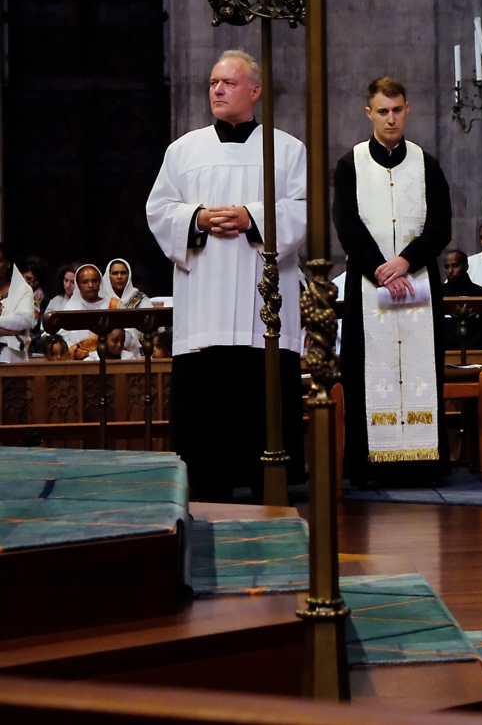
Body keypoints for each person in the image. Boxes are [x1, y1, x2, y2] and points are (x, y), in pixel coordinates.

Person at [145, 49, 307, 503]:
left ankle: (267, 484)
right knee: (209, 394)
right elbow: (159, 209)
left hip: (264, 307)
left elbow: (303, 209)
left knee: (261, 388)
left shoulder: (287, 149)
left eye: (228, 83)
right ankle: (208, 482)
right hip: (206, 304)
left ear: (254, 91)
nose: (217, 89)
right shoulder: (183, 150)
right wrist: (196, 220)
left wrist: (250, 217)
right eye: (214, 82)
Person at [333, 76, 452, 483]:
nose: (390, 118)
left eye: (397, 109)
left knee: (422, 367)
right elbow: (347, 225)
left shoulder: (426, 163)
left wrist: (405, 261)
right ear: (369, 113)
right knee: (367, 370)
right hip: (368, 286)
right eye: (382, 111)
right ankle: (369, 464)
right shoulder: (350, 164)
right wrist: (380, 269)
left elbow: (441, 226)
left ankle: (423, 461)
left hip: (417, 281)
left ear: (407, 109)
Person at [440, 250, 482, 351]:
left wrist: (467, 348)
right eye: (446, 267)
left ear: (465, 267)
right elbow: (437, 327)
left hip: (475, 353)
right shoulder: (439, 293)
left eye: (455, 266)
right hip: (445, 353)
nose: (450, 271)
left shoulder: (481, 294)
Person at [0, 243, 36, 363]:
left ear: (8, 264)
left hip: (13, 359)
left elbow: (24, 320)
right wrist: (10, 331)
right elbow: (15, 324)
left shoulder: (23, 290)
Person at [64, 264, 110, 359]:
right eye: (85, 282)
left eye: (94, 281)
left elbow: (127, 337)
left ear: (100, 283)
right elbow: (63, 338)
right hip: (79, 362)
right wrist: (76, 351)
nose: (90, 285)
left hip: (109, 359)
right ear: (78, 285)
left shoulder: (113, 305)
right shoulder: (70, 308)